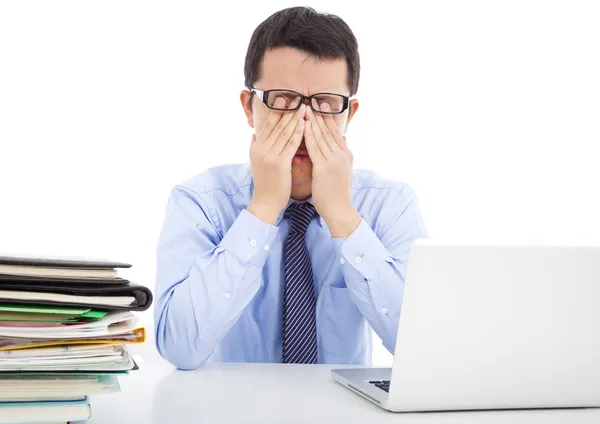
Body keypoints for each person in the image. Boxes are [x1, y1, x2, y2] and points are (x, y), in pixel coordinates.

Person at [154, 6, 428, 370]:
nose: (304, 122)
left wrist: (343, 216)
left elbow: (422, 347)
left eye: (326, 104)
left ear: (350, 114)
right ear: (249, 108)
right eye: (283, 100)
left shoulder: (390, 204)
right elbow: (179, 346)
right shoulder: (200, 202)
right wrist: (264, 207)